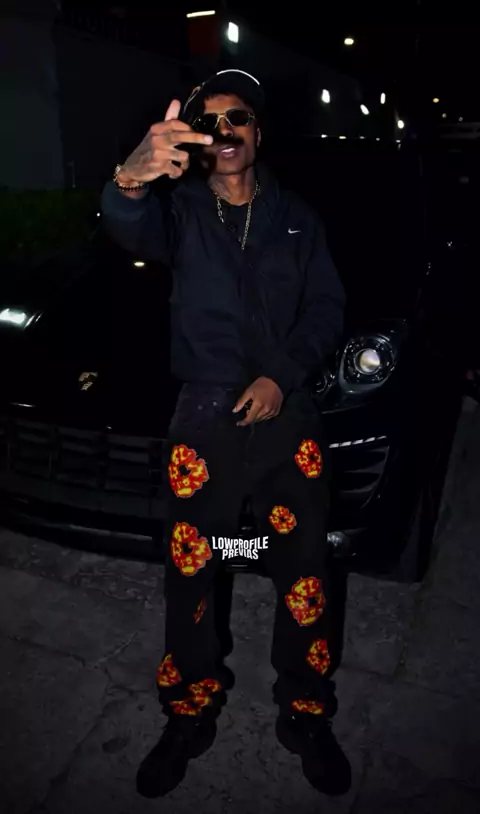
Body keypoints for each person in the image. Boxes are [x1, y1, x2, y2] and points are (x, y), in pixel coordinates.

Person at [101, 69, 350, 798]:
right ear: (198, 143)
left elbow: (326, 311)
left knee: (303, 570)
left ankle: (305, 711)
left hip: (287, 411)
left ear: (258, 132)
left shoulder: (298, 218)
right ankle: (189, 712)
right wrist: (129, 179)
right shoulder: (178, 212)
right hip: (204, 415)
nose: (226, 132)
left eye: (237, 118)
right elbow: (129, 226)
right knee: (193, 568)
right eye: (209, 124)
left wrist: (281, 377)